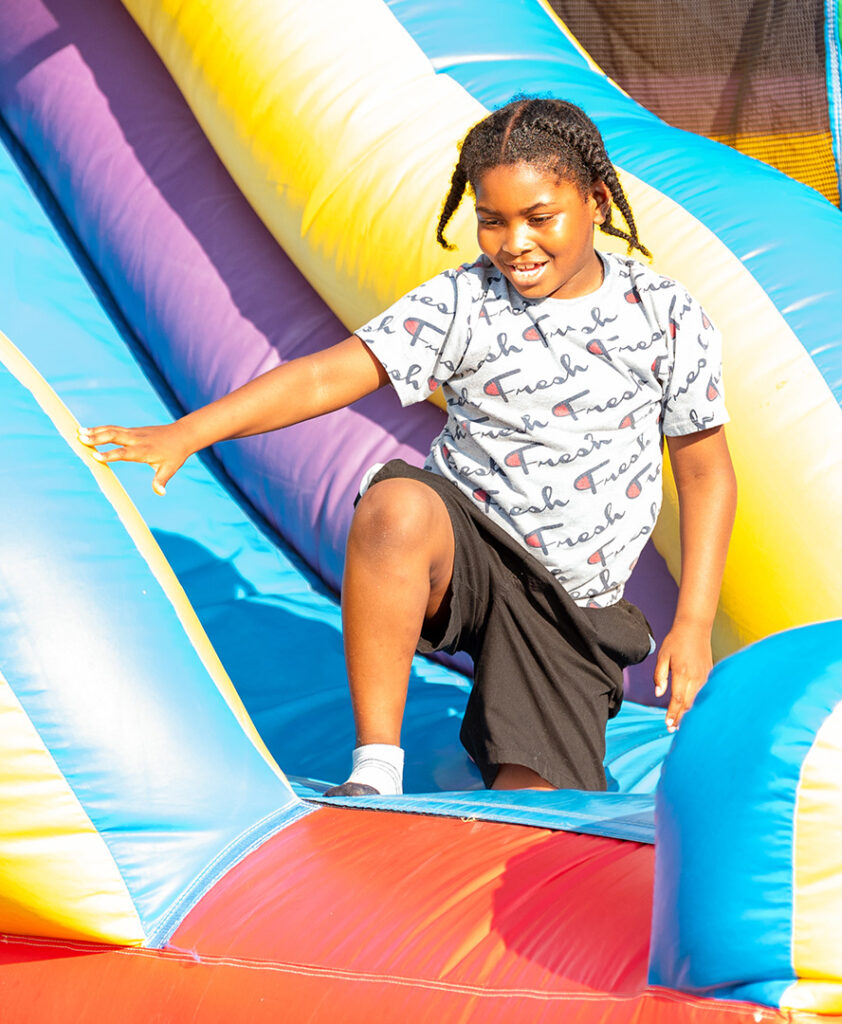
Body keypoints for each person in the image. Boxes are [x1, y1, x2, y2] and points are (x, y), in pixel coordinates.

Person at [78, 97, 736, 797]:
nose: (515, 242)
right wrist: (190, 431)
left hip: (568, 605)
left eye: (540, 217)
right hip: (470, 552)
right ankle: (375, 768)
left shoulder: (664, 316)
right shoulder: (465, 301)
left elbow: (705, 477)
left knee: (536, 811)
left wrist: (693, 623)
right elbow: (331, 373)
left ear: (597, 200)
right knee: (396, 505)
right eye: (491, 219)